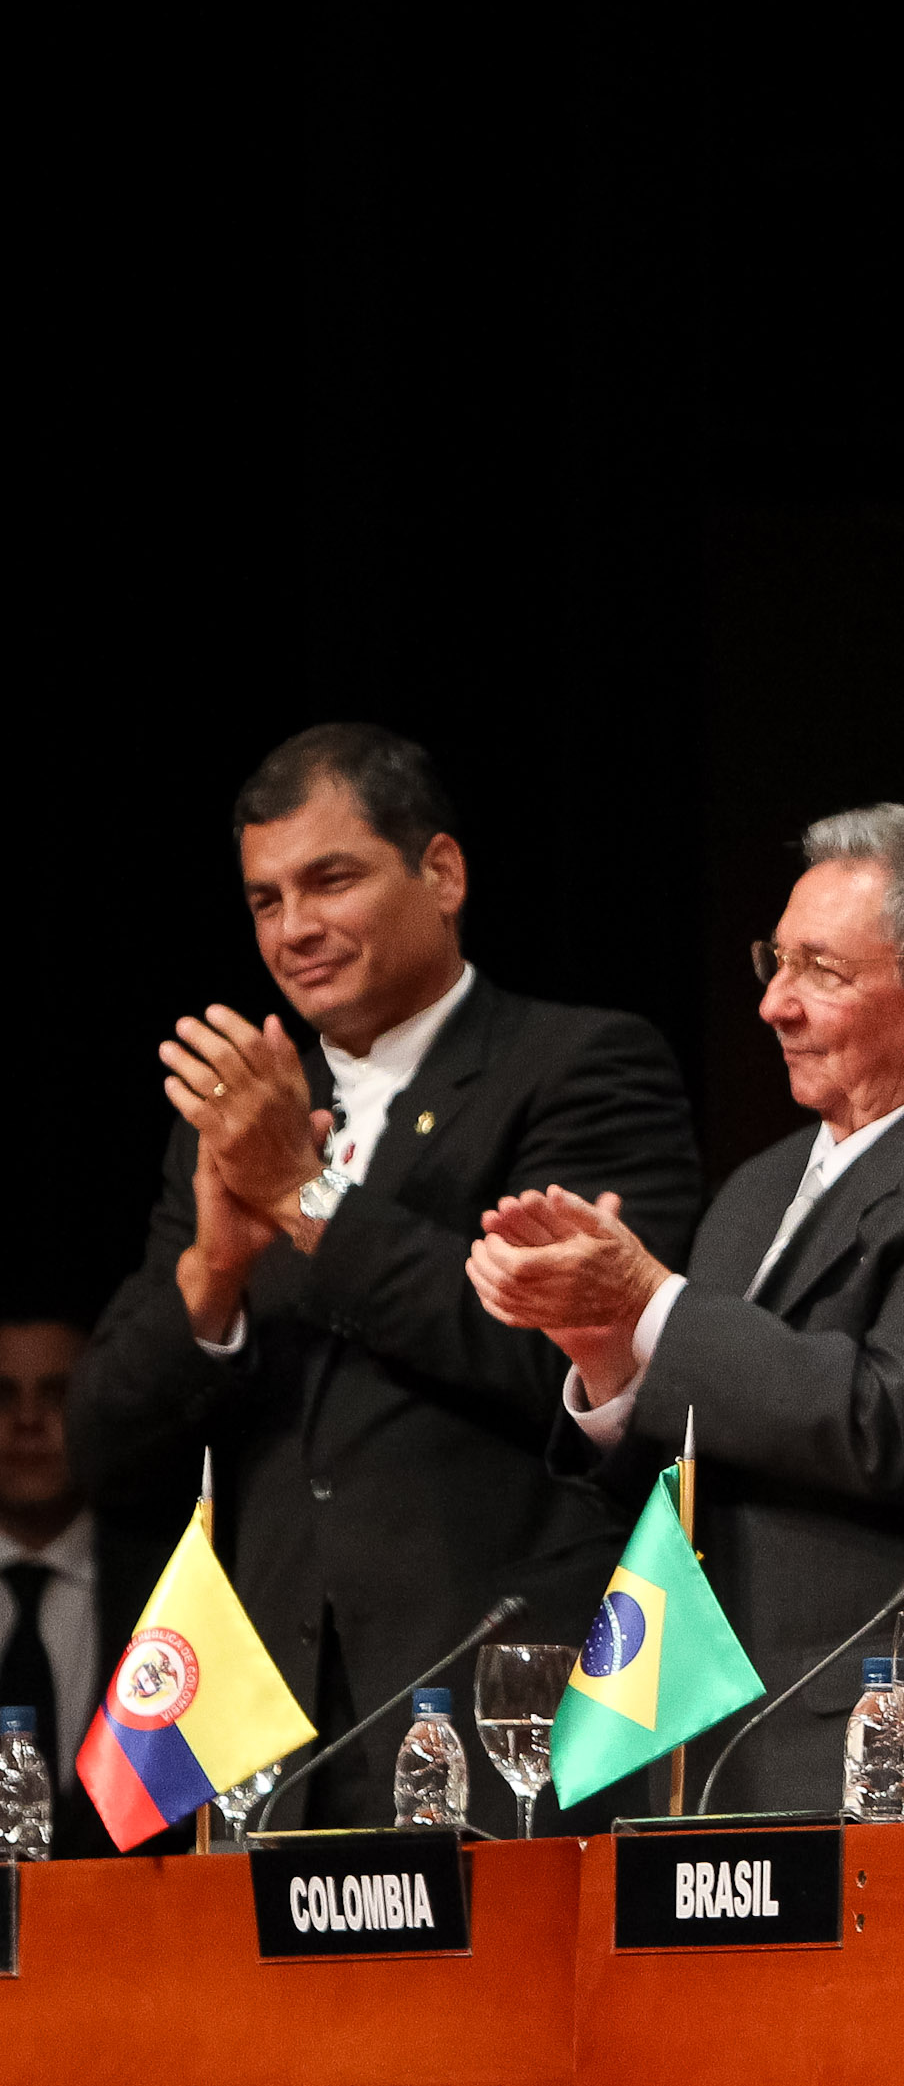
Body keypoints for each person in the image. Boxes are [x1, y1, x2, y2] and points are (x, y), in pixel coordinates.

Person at [68, 726, 701, 1829]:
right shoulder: (232, 1127)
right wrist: (216, 1274)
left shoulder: (582, 1066)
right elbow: (103, 1445)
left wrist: (307, 1200)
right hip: (268, 1734)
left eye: (331, 879)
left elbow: (552, 1355)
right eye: (265, 900)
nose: (295, 928)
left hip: (501, 1709)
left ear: (441, 873)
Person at [470, 804, 904, 1815]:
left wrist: (651, 1305)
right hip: (719, 1759)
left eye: (821, 970)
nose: (773, 1004)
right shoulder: (759, 1188)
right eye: (774, 961)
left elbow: (884, 1426)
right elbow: (695, 1471)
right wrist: (610, 1356)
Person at [1, 1309, 192, 1857]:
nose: (28, 1421)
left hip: (134, 1924)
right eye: (3, 1396)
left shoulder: (172, 1591)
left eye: (58, 1395)